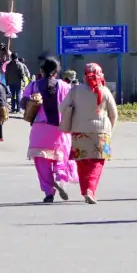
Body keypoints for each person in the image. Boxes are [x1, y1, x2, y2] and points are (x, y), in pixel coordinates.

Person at [60, 62, 118, 204]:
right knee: (97, 163)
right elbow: (114, 114)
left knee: (82, 163)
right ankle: (90, 190)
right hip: (101, 132)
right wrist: (110, 130)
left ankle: (85, 190)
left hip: (79, 132)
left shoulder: (75, 90)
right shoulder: (105, 91)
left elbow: (62, 108)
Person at [22, 57, 77, 203]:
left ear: (41, 71)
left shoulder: (33, 85)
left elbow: (23, 103)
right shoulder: (65, 86)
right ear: (56, 72)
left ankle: (48, 192)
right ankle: (60, 178)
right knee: (60, 157)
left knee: (41, 162)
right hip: (59, 128)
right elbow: (73, 105)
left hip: (39, 129)